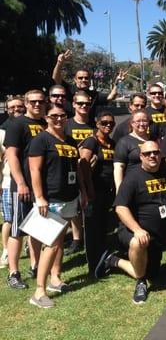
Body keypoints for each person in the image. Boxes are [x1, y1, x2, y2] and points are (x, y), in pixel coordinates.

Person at [96, 142, 166, 304]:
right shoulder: (132, 177)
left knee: (152, 274)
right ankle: (140, 283)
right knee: (137, 245)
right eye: (148, 153)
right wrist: (137, 229)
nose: (152, 156)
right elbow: (120, 208)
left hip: (156, 237)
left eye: (155, 152)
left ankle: (113, 260)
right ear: (141, 157)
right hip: (132, 230)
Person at [29, 104, 85, 308]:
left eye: (62, 115)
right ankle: (39, 291)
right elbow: (35, 170)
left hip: (69, 197)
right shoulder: (41, 140)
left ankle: (55, 278)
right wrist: (40, 197)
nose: (59, 119)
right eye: (54, 116)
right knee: (51, 244)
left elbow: (76, 169)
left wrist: (83, 192)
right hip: (51, 199)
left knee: (60, 241)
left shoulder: (70, 141)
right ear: (46, 117)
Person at [4, 90, 47, 289]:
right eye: (33, 102)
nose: (37, 104)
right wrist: (20, 182)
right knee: (17, 230)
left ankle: (36, 265)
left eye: (40, 101)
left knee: (36, 230)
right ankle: (14, 272)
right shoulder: (17, 124)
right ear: (26, 103)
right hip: (22, 187)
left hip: (41, 187)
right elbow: (12, 155)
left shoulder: (45, 124)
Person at [79, 111, 116, 277]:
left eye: (111, 123)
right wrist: (88, 189)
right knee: (92, 230)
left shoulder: (111, 143)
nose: (108, 125)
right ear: (97, 124)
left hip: (108, 192)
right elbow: (83, 164)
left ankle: (103, 260)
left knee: (103, 228)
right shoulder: (91, 141)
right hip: (94, 192)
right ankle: (93, 266)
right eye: (104, 123)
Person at [51, 49, 122, 123]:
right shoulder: (68, 89)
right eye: (80, 78)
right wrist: (59, 63)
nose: (84, 80)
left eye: (86, 78)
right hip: (69, 129)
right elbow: (56, 78)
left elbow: (111, 97)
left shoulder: (95, 95)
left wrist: (118, 81)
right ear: (75, 79)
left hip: (90, 129)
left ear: (89, 80)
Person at [64, 91, 94, 256]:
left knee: (84, 205)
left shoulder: (93, 128)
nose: (84, 107)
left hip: (89, 172)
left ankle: (78, 239)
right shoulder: (66, 124)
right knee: (71, 207)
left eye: (87, 104)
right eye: (80, 103)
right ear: (74, 104)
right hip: (69, 170)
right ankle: (70, 238)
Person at [0, 96, 25, 268]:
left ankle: (30, 250)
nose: (16, 109)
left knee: (29, 219)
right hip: (8, 182)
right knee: (9, 220)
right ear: (7, 109)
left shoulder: (31, 126)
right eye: (12, 107)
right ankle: (6, 251)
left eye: (19, 106)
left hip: (29, 183)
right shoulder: (2, 132)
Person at [114, 110, 152, 191]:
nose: (141, 124)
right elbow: (119, 167)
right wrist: (120, 190)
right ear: (132, 123)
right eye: (138, 121)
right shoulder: (124, 142)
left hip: (151, 185)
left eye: (144, 121)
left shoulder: (153, 140)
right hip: (133, 186)